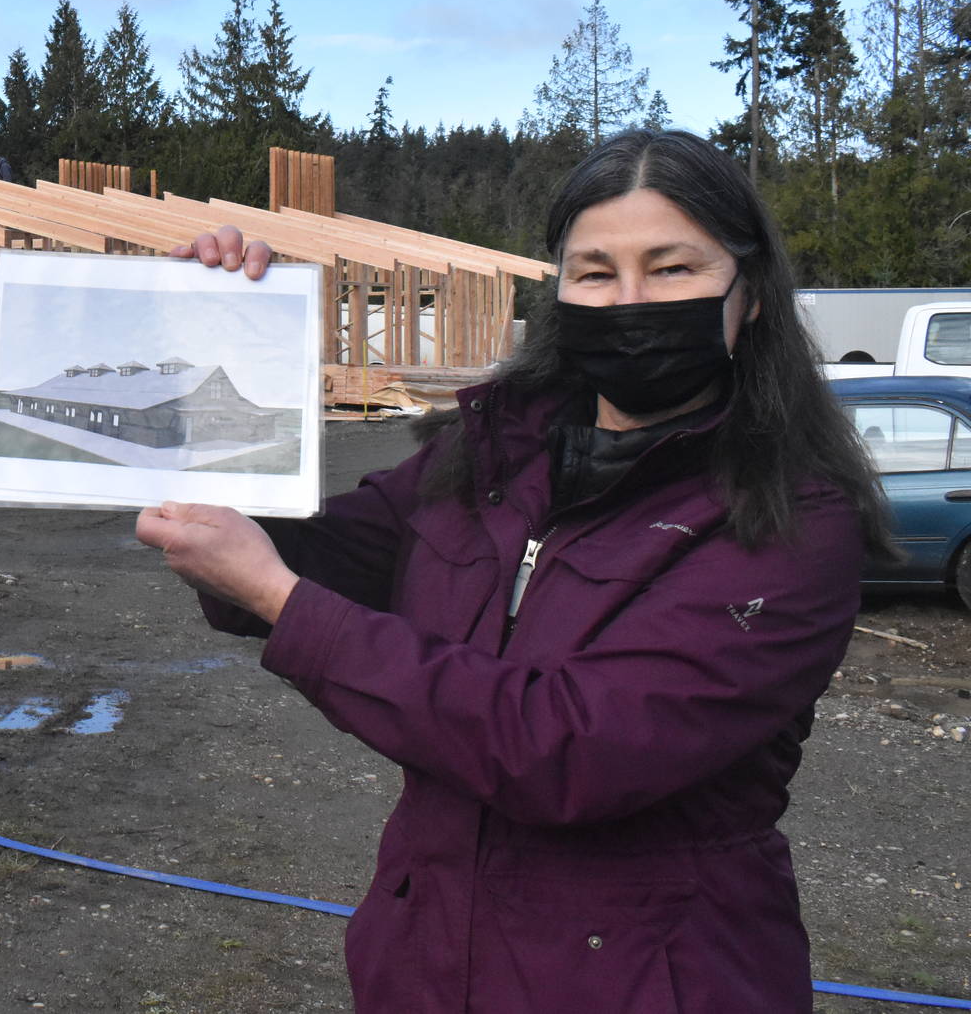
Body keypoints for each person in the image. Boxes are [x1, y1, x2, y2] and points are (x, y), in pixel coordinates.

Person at [135, 129, 892, 1014]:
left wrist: (276, 595)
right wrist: (222, 353)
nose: (630, 299)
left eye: (674, 268)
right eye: (596, 271)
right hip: (427, 965)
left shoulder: (790, 518)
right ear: (561, 291)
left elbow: (567, 750)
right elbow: (311, 553)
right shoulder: (490, 454)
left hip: (649, 981)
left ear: (750, 293)